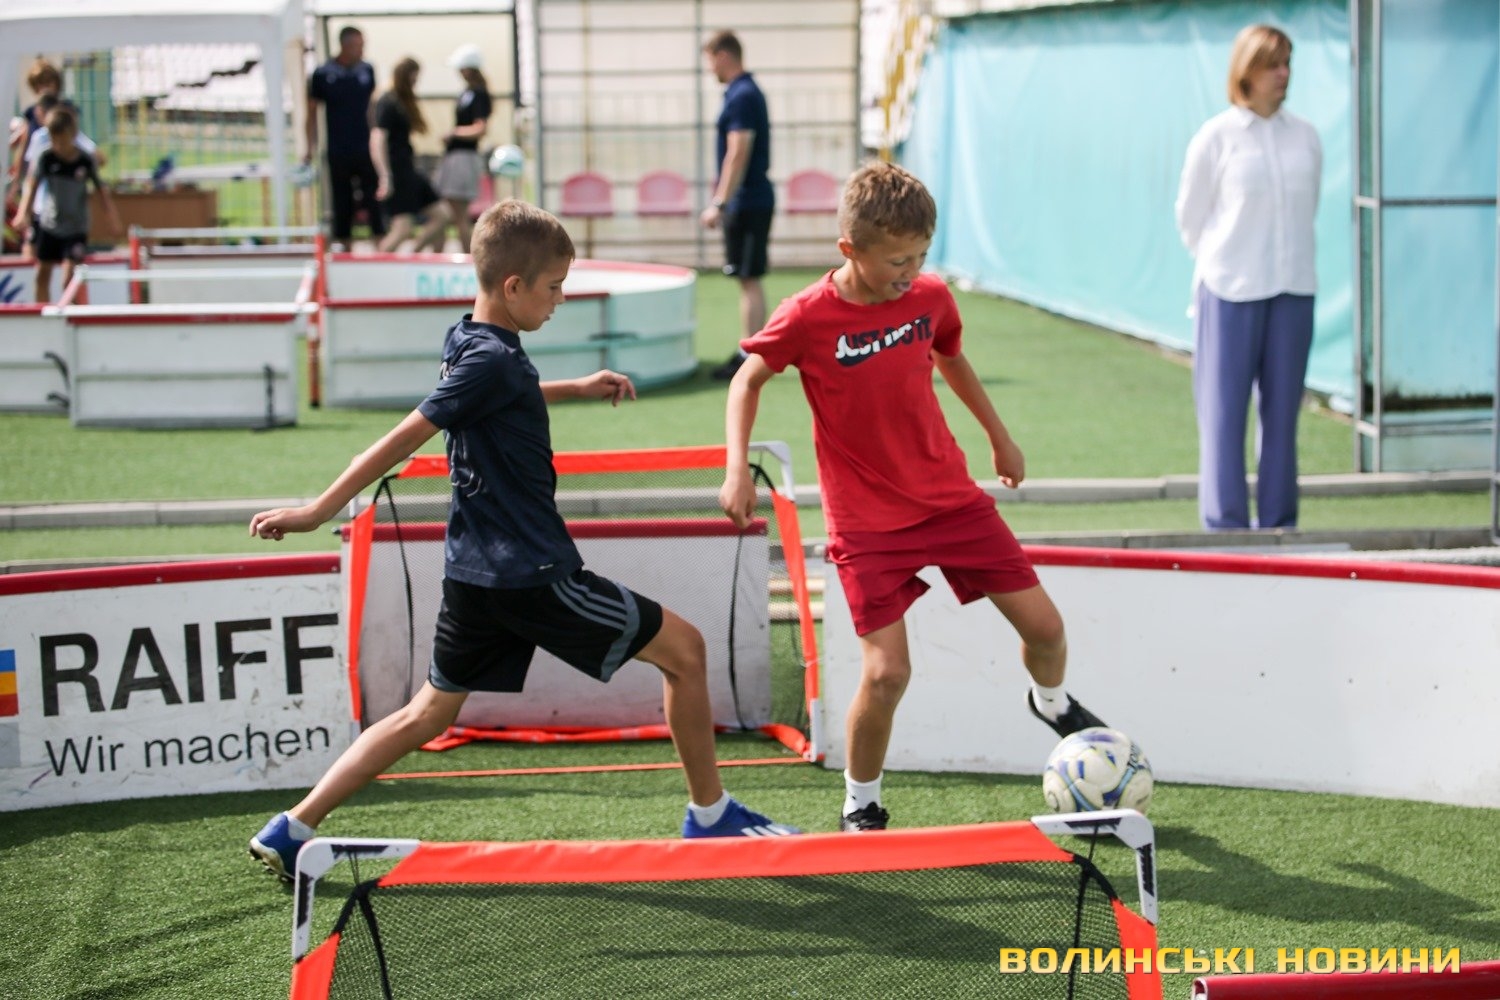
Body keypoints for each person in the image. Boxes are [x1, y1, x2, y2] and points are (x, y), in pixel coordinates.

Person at [247, 198, 797, 880]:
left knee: (426, 714)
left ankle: (293, 827)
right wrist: (316, 510)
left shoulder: (469, 340)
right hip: (531, 575)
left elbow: (498, 392)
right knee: (686, 652)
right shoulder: (493, 361)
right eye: (554, 287)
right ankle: (710, 816)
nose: (560, 299)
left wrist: (573, 388)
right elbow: (401, 439)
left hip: (472, 575)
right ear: (513, 286)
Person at [719, 162, 1107, 833]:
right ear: (850, 249)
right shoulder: (807, 315)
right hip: (866, 525)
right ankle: (861, 802)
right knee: (887, 674)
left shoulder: (929, 298)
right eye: (897, 260)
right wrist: (735, 469)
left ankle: (1050, 703)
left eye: (921, 256)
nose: (911, 271)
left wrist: (1000, 437)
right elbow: (746, 381)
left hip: (951, 501)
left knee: (1046, 630)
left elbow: (951, 357)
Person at [1174, 24, 1322, 531]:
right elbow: (1190, 218)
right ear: (1247, 71)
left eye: (1287, 63)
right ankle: (1226, 527)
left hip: (1294, 289)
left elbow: (1308, 207)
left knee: (1282, 415)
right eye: (1273, 65)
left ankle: (1280, 524)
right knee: (1224, 414)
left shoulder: (1306, 136)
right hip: (1229, 291)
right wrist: (1227, 262)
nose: (1283, 74)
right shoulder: (1216, 137)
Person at [699, 30, 774, 381]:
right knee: (747, 278)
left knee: (748, 279)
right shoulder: (743, 92)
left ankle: (751, 355)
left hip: (748, 200)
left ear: (723, 55)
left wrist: (720, 202)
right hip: (750, 198)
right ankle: (753, 351)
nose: (710, 68)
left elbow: (738, 150)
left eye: (710, 60)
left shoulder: (742, 95)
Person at [9, 106, 121, 303]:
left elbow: (101, 192)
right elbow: (31, 186)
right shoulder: (46, 157)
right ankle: (43, 316)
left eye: (62, 141)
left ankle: (72, 316)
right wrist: (23, 213)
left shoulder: (85, 160)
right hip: (50, 225)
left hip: (76, 228)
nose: (58, 146)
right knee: (41, 274)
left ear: (73, 135)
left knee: (68, 280)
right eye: (54, 141)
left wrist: (112, 219)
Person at [307, 26, 387, 250]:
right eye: (357, 46)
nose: (361, 50)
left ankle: (380, 249)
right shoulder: (323, 73)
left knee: (373, 199)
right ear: (345, 45)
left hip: (365, 148)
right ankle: (345, 249)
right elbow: (311, 112)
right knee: (342, 201)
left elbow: (372, 108)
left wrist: (377, 138)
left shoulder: (367, 70)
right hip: (338, 149)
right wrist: (310, 146)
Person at [372, 57, 452, 252]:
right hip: (396, 172)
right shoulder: (387, 101)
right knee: (403, 229)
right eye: (414, 78)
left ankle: (413, 255)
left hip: (409, 169)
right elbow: (377, 140)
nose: (415, 83)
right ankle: (378, 264)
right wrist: (385, 176)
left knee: (443, 215)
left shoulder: (400, 100)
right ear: (404, 76)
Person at [432, 44, 492, 253]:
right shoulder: (467, 93)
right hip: (455, 157)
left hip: (464, 158)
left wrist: (455, 133)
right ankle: (438, 256)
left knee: (459, 214)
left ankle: (469, 258)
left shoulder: (479, 93)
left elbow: (480, 128)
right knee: (443, 211)